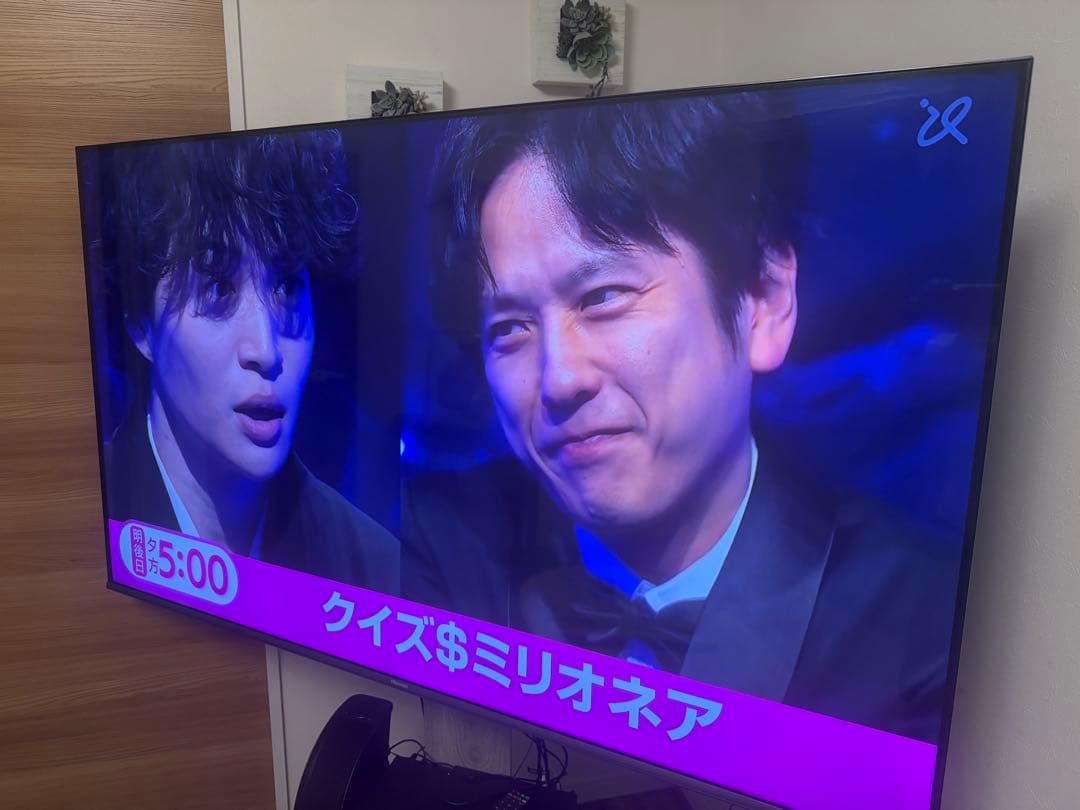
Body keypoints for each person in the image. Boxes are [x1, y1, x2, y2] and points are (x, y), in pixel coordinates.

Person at [404, 94, 958, 742]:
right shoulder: (432, 547)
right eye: (509, 328)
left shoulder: (922, 623)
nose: (558, 379)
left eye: (604, 296)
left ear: (763, 299)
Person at [94, 130, 398, 593]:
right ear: (141, 324)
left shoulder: (374, 570)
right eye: (218, 288)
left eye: (287, 287)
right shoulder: (83, 515)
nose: (266, 350)